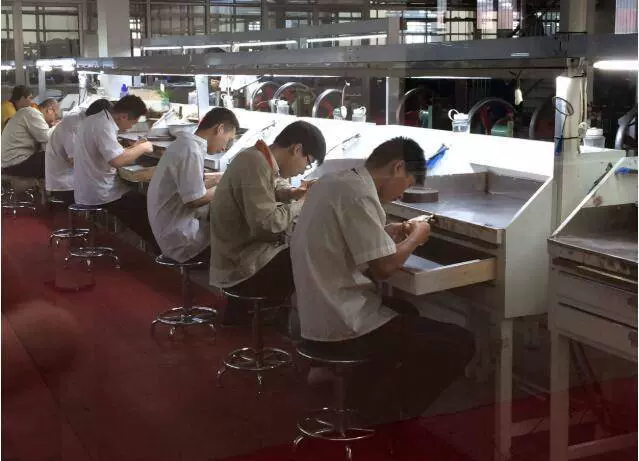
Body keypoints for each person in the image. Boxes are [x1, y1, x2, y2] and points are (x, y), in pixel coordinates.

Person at [290, 137, 475, 424]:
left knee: (405, 310)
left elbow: (344, 237)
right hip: (342, 323)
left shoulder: (334, 183)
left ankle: (361, 396)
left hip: (315, 316)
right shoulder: (359, 195)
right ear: (398, 167)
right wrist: (416, 238)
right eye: (406, 184)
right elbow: (384, 267)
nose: (402, 195)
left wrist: (388, 232)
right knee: (459, 342)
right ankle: (386, 416)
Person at [209, 120, 326, 324]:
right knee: (310, 256)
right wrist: (302, 203)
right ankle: (300, 326)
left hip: (235, 255)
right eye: (307, 163)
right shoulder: (255, 163)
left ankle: (253, 314)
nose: (303, 171)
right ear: (296, 149)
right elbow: (268, 225)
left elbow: (272, 183)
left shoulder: (256, 156)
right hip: (240, 267)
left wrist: (293, 193)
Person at [147, 107, 239, 263]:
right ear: (219, 129)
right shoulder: (191, 150)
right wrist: (227, 186)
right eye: (228, 140)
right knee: (240, 239)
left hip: (167, 228)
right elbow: (194, 200)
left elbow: (193, 183)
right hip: (179, 238)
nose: (224, 147)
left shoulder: (184, 144)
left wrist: (221, 178)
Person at [73, 95, 157, 247]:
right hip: (100, 193)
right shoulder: (103, 126)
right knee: (146, 207)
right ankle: (156, 250)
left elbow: (113, 153)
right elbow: (118, 160)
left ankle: (134, 242)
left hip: (88, 186)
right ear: (123, 116)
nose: (130, 128)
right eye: (132, 123)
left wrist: (134, 147)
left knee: (137, 198)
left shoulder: (95, 120)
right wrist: (143, 147)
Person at [45, 99, 113, 204]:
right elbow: (75, 161)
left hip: (73, 178)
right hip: (66, 183)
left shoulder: (86, 119)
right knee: (115, 190)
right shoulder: (74, 123)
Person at [1, 98, 60, 178]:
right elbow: (46, 136)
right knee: (56, 157)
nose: (55, 119)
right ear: (49, 110)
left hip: (10, 162)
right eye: (56, 115)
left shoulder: (30, 113)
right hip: (15, 163)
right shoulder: (33, 113)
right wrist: (57, 126)